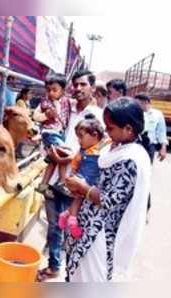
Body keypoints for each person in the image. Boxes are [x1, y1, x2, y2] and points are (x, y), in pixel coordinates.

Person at [64, 97, 151, 282]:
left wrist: (83, 187)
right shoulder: (117, 148)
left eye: (110, 128)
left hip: (100, 233)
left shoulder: (131, 159)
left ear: (128, 129)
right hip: (88, 222)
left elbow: (109, 200)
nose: (107, 132)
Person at [36, 69, 103, 281]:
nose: (79, 88)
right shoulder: (67, 107)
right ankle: (54, 266)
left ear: (93, 88)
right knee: (53, 226)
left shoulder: (98, 117)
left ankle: (72, 273)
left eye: (83, 84)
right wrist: (49, 151)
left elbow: (99, 152)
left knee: (69, 225)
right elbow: (45, 130)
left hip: (73, 182)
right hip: (55, 175)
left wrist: (69, 160)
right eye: (76, 84)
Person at [58, 114, 109, 239]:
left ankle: (67, 214)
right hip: (85, 178)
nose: (79, 141)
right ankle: (72, 221)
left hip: (87, 178)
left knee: (79, 198)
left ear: (95, 135)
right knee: (79, 197)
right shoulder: (87, 149)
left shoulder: (102, 147)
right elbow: (76, 161)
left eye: (81, 137)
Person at [34, 73, 72, 196]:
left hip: (59, 133)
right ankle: (61, 182)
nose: (51, 93)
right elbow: (35, 116)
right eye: (48, 90)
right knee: (63, 154)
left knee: (53, 161)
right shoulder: (45, 103)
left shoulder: (67, 101)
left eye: (54, 90)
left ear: (63, 90)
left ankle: (43, 186)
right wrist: (46, 115)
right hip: (49, 133)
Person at [134, 93, 168, 219]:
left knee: (144, 177)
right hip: (136, 145)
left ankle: (145, 209)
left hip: (149, 148)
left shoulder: (157, 114)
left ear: (146, 102)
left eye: (138, 103)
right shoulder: (136, 113)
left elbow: (161, 132)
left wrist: (163, 148)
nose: (137, 105)